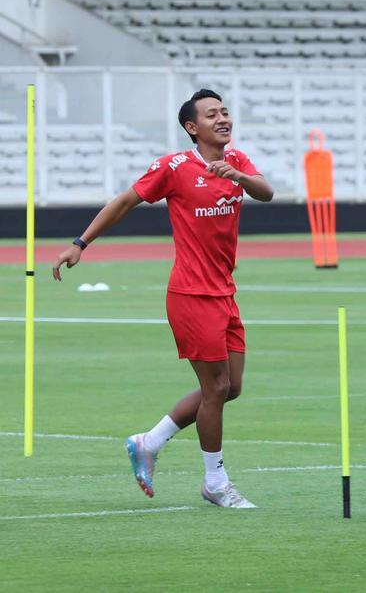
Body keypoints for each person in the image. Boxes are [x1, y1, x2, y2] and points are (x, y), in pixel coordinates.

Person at [52, 89, 273, 509]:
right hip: (190, 293)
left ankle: (148, 442)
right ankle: (215, 482)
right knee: (216, 387)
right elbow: (124, 202)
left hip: (225, 292)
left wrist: (238, 177)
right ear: (193, 127)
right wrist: (80, 242)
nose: (222, 118)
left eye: (225, 111)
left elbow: (266, 192)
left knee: (232, 388)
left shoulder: (238, 162)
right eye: (212, 115)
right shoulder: (173, 168)